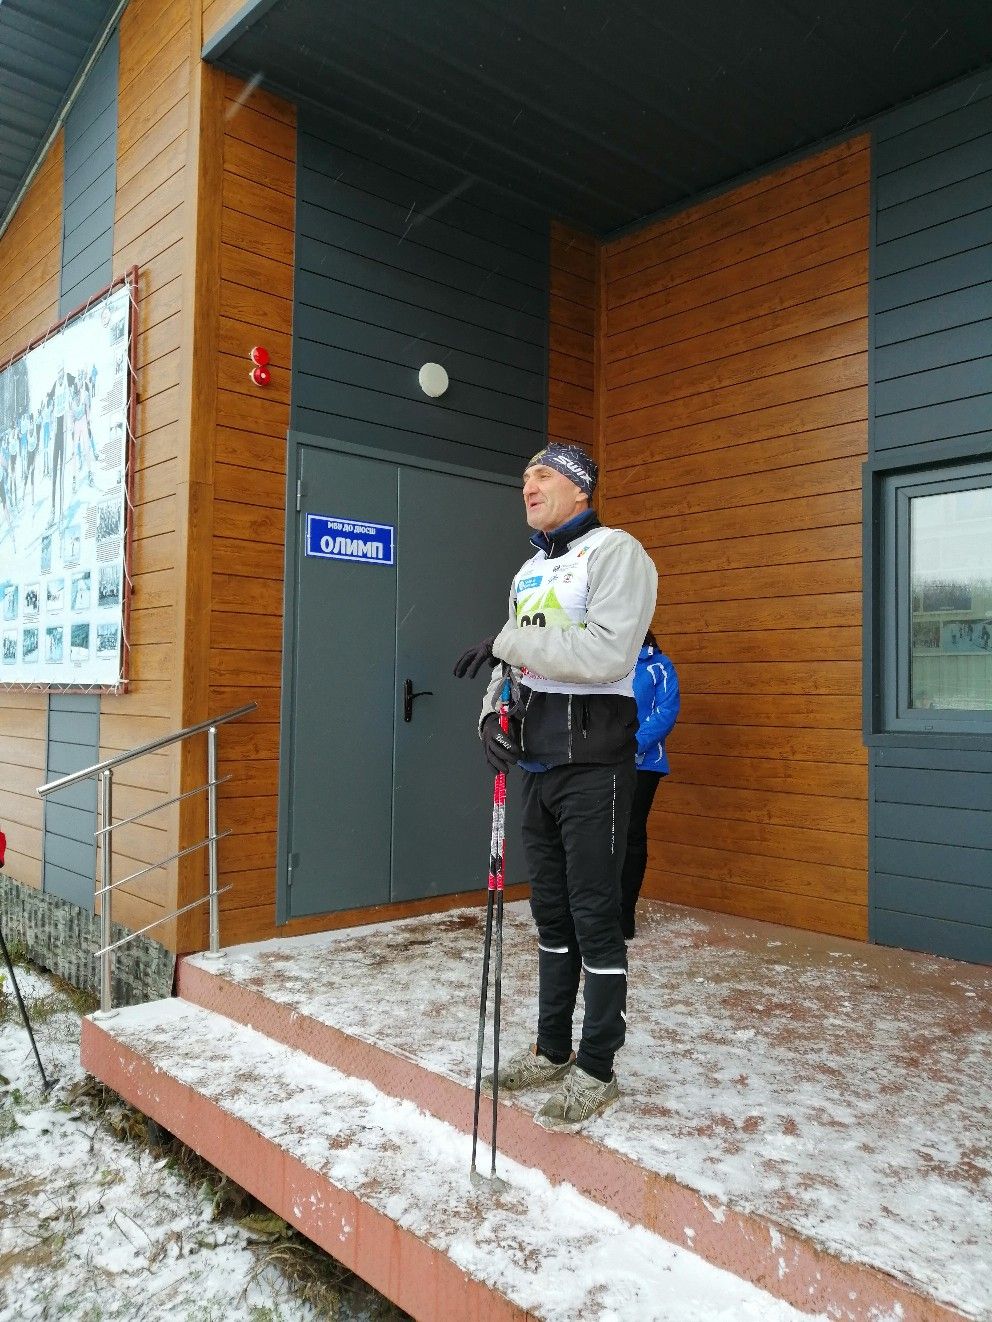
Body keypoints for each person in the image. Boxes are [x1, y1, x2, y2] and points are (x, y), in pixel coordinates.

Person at [454, 441, 657, 1131]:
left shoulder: (616, 554)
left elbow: (606, 652)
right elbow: (510, 662)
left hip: (595, 764)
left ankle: (597, 1067)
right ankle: (551, 1047)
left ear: (579, 488)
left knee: (596, 917)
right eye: (523, 477)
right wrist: (490, 717)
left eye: (542, 474)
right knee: (550, 917)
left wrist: (509, 644)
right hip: (538, 767)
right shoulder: (529, 570)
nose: (527, 485)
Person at [619, 633, 680, 940]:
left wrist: (631, 745)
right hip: (603, 763)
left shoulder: (659, 666)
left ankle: (623, 915)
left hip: (643, 764)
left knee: (631, 832)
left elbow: (665, 713)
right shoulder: (609, 661)